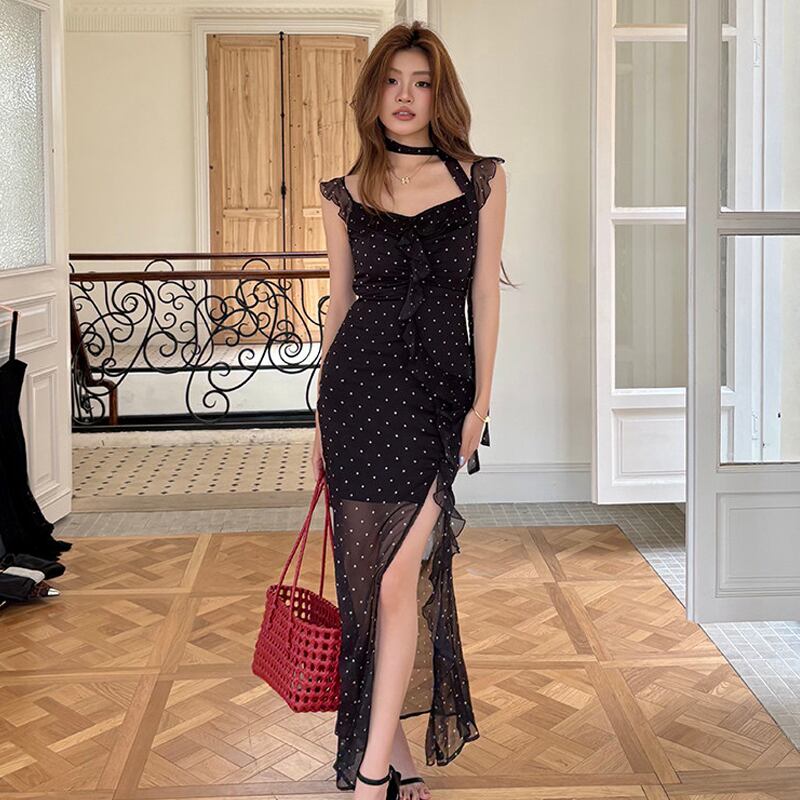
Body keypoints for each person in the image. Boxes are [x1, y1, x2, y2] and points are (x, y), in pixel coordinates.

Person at [313, 20, 510, 800]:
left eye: (420, 82)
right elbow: (340, 304)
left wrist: (482, 401)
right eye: (392, 81)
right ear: (373, 93)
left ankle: (368, 778)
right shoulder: (345, 192)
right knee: (366, 588)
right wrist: (317, 418)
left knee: (398, 580)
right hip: (356, 394)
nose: (405, 96)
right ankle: (391, 754)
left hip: (435, 399)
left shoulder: (481, 180)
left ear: (439, 94)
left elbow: (485, 295)